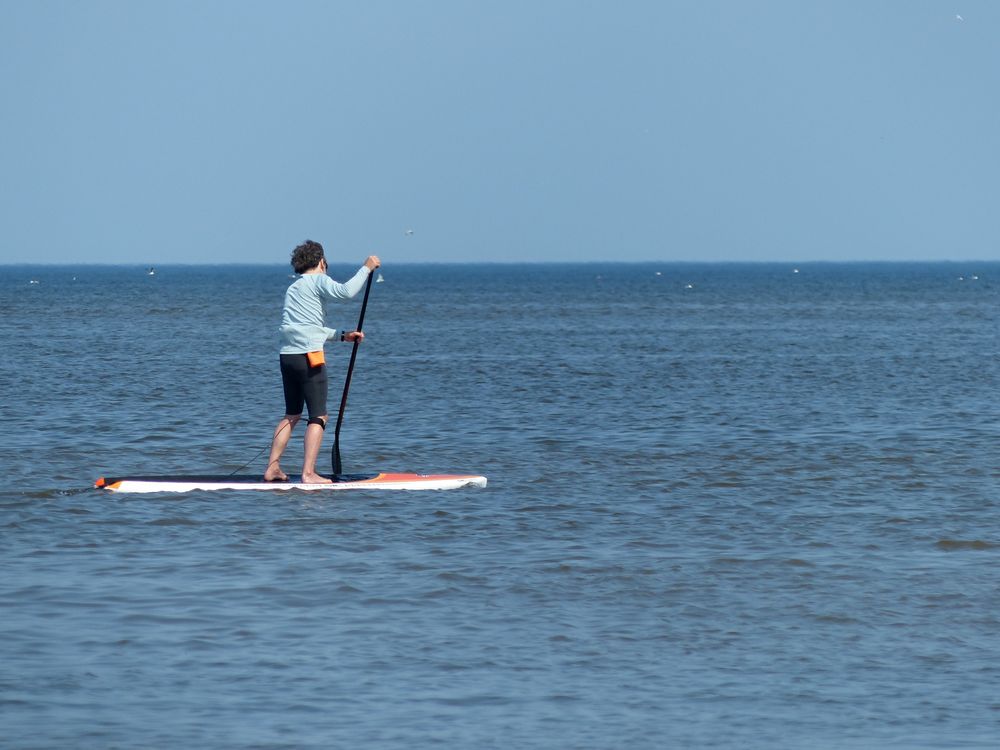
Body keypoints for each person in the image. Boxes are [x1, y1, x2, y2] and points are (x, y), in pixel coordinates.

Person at [264, 240, 380, 483]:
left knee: (292, 414)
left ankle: (272, 468)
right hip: (309, 358)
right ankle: (309, 474)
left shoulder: (293, 288)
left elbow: (305, 327)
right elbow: (347, 292)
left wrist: (341, 335)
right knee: (319, 416)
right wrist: (366, 268)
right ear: (320, 262)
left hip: (287, 357)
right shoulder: (319, 279)